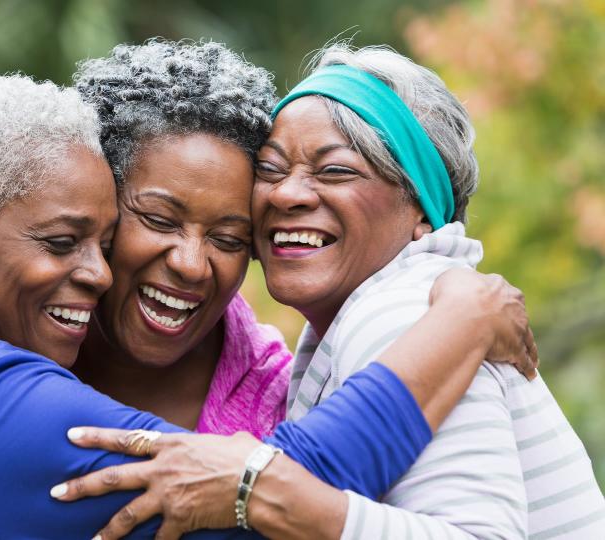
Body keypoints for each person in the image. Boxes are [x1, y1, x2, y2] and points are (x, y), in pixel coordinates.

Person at [0, 72, 530, 539]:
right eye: (73, 240)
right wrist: (460, 324)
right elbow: (291, 485)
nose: (95, 272)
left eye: (230, 234)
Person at [51, 44, 605, 539]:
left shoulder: (410, 312)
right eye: (271, 169)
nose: (289, 192)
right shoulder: (397, 318)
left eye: (335, 171)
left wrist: (257, 493)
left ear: (421, 213)